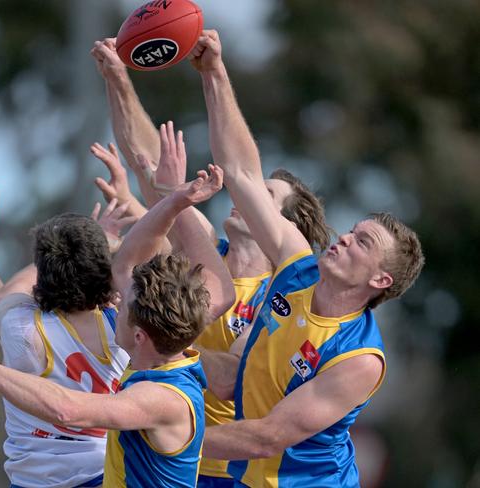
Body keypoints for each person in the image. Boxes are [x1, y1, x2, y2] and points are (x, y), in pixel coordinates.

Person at [0, 134, 236, 488]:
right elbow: (138, 257)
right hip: (99, 473)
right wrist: (172, 199)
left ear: (140, 333)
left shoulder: (24, 329)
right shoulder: (144, 330)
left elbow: (66, 407)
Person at [187, 29, 425, 487]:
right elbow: (240, 172)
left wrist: (165, 434)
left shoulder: (358, 358)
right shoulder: (298, 266)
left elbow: (267, 437)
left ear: (380, 281)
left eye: (363, 243)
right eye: (352, 231)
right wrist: (214, 73)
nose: (344, 239)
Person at [91, 38, 332, 487]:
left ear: (285, 223)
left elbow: (227, 379)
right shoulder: (205, 257)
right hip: (159, 446)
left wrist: (154, 328)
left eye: (266, 196)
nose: (248, 198)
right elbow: (153, 166)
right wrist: (118, 81)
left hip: (222, 466)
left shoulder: (280, 294)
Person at [0, 190, 136, 488]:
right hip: (107, 475)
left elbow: (8, 295)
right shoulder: (125, 324)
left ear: (42, 270)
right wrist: (98, 246)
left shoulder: (22, 330)